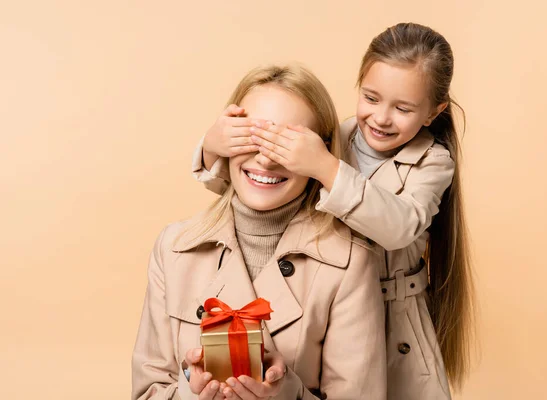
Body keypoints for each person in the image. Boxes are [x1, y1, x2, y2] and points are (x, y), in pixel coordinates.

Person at [193, 23, 475, 399]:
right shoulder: (334, 136)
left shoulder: (433, 162)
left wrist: (324, 165)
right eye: (371, 98)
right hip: (325, 310)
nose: (382, 118)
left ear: (433, 112)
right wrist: (214, 147)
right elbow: (256, 184)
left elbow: (399, 227)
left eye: (403, 108)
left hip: (393, 321)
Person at [132, 64, 387, 400]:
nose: (266, 161)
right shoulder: (174, 248)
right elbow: (147, 390)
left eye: (286, 144)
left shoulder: (349, 261)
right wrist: (190, 394)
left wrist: (288, 394)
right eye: (252, 137)